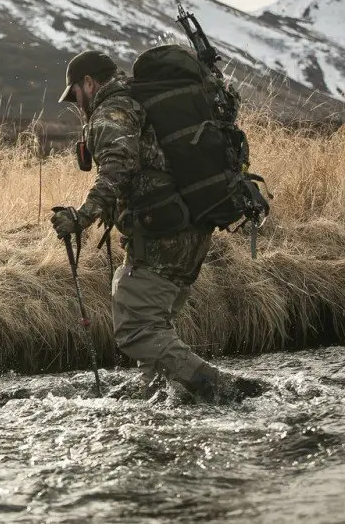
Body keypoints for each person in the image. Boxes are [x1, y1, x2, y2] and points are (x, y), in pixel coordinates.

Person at [51, 49, 265, 403]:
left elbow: (117, 167)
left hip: (163, 235)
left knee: (137, 329)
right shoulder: (141, 99)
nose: (76, 103)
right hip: (190, 229)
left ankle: (223, 389)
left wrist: (81, 217)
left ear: (88, 83)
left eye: (74, 93)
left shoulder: (113, 111)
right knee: (153, 330)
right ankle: (160, 401)